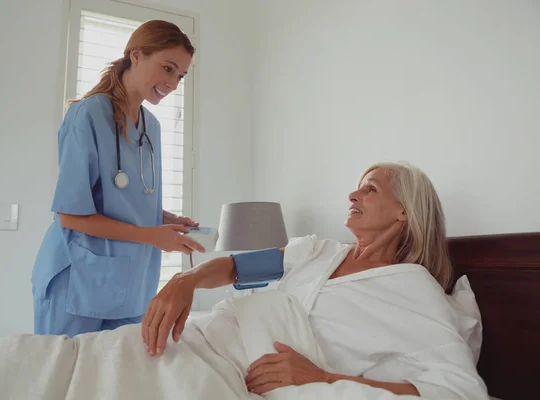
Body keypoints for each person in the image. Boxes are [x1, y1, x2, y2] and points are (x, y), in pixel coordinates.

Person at [141, 162, 489, 399]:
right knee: (111, 357)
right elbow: (236, 267)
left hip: (244, 379)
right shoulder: (318, 250)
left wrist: (323, 378)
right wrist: (186, 280)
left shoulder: (414, 287)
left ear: (404, 211)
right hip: (211, 343)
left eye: (370, 190)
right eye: (356, 189)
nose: (352, 196)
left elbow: (459, 388)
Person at [31, 20, 205, 338]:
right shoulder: (87, 115)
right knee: (66, 380)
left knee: (116, 380)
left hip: (132, 283)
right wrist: (152, 235)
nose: (173, 83)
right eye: (167, 68)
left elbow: (122, 198)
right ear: (136, 55)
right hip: (80, 281)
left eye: (180, 76)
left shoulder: (151, 127)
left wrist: (165, 220)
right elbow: (70, 214)